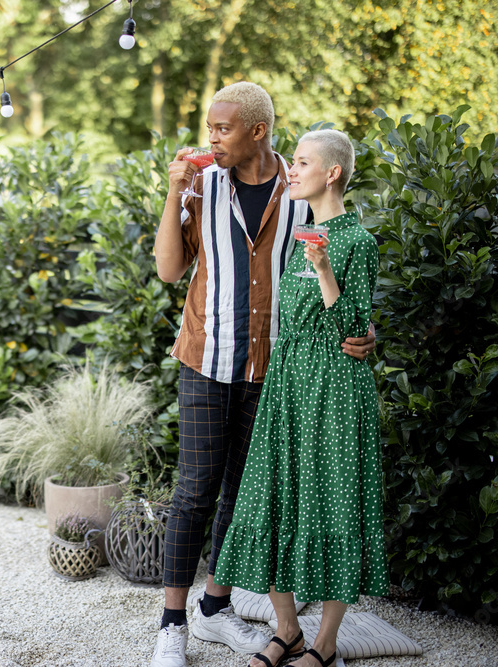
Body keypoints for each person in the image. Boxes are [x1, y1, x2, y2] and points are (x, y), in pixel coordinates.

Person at [149, 83, 375, 667]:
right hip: (207, 355)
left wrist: (365, 332)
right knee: (195, 490)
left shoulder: (301, 189)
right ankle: (173, 626)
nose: (211, 138)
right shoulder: (200, 183)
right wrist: (173, 192)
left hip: (278, 370)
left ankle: (215, 608)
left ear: (258, 131)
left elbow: (342, 286)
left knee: (246, 494)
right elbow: (171, 270)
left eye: (222, 128)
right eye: (209, 128)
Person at [212, 130, 388, 667]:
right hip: (289, 381)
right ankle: (286, 629)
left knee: (333, 501)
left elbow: (354, 324)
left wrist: (325, 270)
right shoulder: (302, 231)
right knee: (271, 494)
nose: (293, 169)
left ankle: (326, 644)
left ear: (331, 173)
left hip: (335, 385)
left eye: (304, 163)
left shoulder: (355, 241)